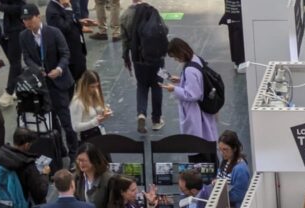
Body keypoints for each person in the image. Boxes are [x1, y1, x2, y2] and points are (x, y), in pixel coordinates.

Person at [19, 3, 77, 156]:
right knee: (51, 121)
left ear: (38, 16)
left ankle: (73, 152)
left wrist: (59, 69)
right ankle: (60, 151)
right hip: (42, 86)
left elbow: (65, 53)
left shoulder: (54, 32)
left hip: (59, 83)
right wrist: (37, 70)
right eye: (24, 20)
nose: (27, 22)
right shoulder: (23, 36)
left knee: (66, 121)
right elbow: (26, 57)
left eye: (30, 18)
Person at [121, 0, 168, 133]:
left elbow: (124, 40)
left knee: (142, 86)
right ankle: (156, 120)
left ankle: (141, 113)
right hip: (156, 58)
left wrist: (126, 57)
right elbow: (164, 29)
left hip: (138, 57)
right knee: (157, 86)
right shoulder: (152, 11)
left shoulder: (125, 15)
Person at [161, 38, 219, 142]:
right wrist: (181, 80)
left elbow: (193, 94)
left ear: (179, 53)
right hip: (204, 109)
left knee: (197, 144)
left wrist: (174, 88)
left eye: (175, 57)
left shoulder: (189, 70)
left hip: (196, 113)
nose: (176, 60)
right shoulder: (196, 59)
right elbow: (199, 81)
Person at [46, 0, 87, 83]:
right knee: (77, 80)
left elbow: (70, 21)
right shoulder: (53, 11)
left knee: (83, 79)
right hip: (71, 54)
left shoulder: (62, 6)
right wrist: (69, 11)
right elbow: (64, 28)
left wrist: (79, 23)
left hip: (77, 50)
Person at [0, 0, 25, 108]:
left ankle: (9, 93)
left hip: (15, 31)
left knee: (15, 62)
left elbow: (21, 8)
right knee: (14, 63)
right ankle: (20, 88)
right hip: (1, 34)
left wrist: (0, 6)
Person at [70, 70, 113, 142]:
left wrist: (104, 111)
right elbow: (75, 127)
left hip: (98, 132)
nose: (95, 89)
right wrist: (94, 122)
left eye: (97, 86)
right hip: (87, 137)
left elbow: (97, 110)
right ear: (85, 86)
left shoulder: (93, 95)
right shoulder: (77, 102)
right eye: (92, 87)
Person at [219, 0, 248, 73]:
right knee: (238, 36)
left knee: (234, 33)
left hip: (232, 13)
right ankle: (240, 63)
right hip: (237, 14)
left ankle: (237, 62)